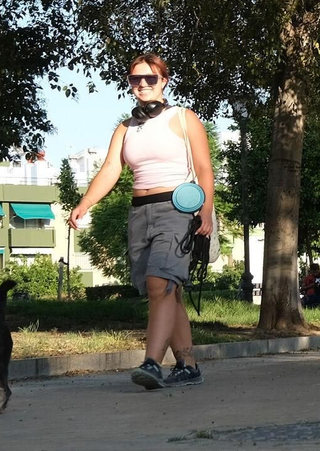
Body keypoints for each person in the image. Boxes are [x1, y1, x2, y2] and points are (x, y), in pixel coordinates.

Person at [68, 53, 215, 390]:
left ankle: (152, 363)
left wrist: (205, 210)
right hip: (140, 212)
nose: (143, 85)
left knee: (158, 284)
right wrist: (85, 203)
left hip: (177, 209)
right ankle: (188, 365)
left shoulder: (183, 117)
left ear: (164, 81)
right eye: (136, 79)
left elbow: (205, 168)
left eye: (150, 78)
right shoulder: (126, 127)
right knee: (167, 291)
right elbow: (110, 169)